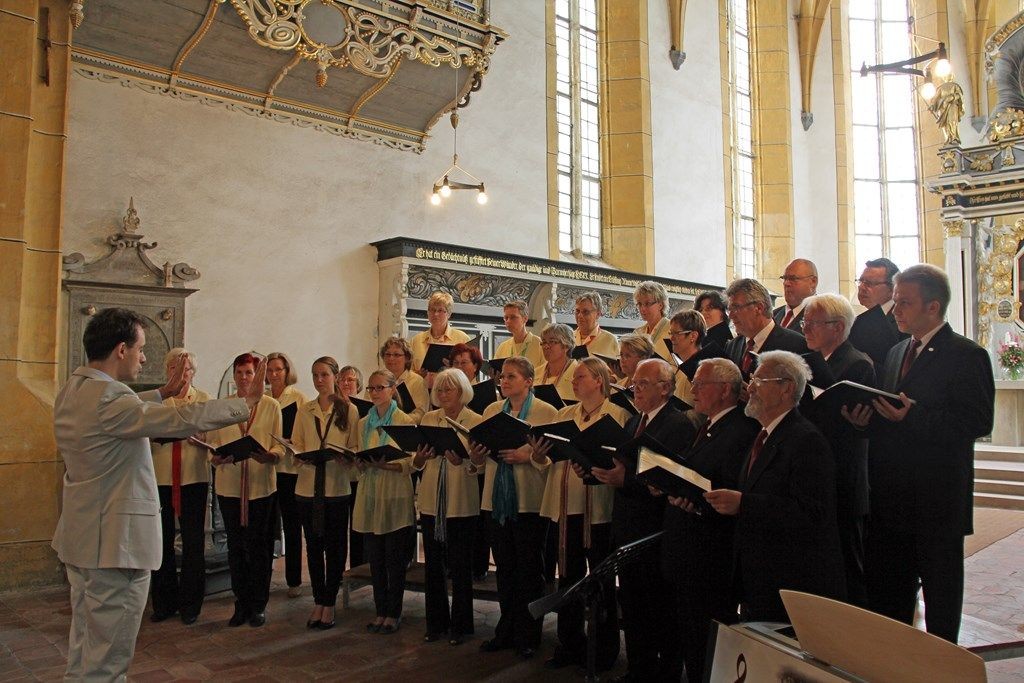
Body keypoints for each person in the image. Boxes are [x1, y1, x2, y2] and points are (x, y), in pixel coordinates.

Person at [53, 309, 257, 681]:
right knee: (108, 660)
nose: (143, 358)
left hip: (83, 539)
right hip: (114, 545)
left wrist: (162, 392)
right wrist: (245, 403)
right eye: (141, 349)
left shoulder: (74, 389)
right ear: (120, 350)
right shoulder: (111, 400)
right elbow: (179, 420)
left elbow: (124, 410)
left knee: (85, 646)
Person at [844, 264, 995, 642]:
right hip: (892, 499)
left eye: (905, 303)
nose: (895, 311)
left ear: (933, 307)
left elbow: (977, 422)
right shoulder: (896, 352)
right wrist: (865, 420)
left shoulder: (966, 354)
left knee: (941, 604)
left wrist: (916, 415)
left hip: (936, 501)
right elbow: (891, 415)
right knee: (889, 601)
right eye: (895, 302)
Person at [705, 350, 845, 622]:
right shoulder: (765, 434)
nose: (750, 387)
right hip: (760, 575)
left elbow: (811, 512)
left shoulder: (806, 441)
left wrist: (744, 504)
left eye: (760, 381)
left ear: (787, 388)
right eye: (752, 379)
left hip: (790, 579)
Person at [591, 358, 695, 682]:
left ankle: (665, 672)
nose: (635, 389)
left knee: (660, 607)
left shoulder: (678, 424)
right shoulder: (633, 421)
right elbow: (623, 467)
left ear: (665, 388)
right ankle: (639, 668)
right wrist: (595, 469)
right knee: (633, 604)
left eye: (644, 383)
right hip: (627, 523)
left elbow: (666, 479)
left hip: (655, 530)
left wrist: (625, 480)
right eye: (634, 383)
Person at [661, 358, 759, 683]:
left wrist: (695, 500)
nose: (693, 389)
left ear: (725, 390)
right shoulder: (709, 424)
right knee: (691, 638)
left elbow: (729, 483)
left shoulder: (741, 430)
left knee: (706, 644)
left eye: (701, 384)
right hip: (689, 547)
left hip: (710, 554)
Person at [536, 358, 629, 671]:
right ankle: (569, 644)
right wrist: (539, 454)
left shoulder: (618, 415)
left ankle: (603, 650)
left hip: (599, 510)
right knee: (569, 580)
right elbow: (549, 460)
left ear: (599, 381)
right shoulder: (565, 414)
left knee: (602, 581)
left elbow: (624, 463)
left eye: (580, 377)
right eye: (574, 377)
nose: (574, 382)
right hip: (566, 505)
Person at [473, 357, 559, 660]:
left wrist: (529, 457)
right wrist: (478, 454)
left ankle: (529, 634)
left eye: (511, 376)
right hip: (497, 500)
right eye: (502, 377)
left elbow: (552, 463)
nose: (504, 381)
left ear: (529, 381)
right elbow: (480, 459)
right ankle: (505, 629)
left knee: (529, 571)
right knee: (505, 569)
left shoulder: (546, 412)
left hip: (529, 501)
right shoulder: (491, 410)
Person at [800, 294, 875, 607]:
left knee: (847, 563)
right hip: (816, 473)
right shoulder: (811, 362)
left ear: (838, 327)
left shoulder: (857, 363)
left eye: (812, 323)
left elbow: (858, 423)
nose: (805, 329)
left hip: (843, 476)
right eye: (804, 322)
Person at [207, 353, 286, 628]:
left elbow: (279, 445)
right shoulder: (223, 406)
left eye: (249, 373)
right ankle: (240, 604)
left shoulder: (271, 405)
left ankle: (258, 604)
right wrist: (215, 458)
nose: (243, 378)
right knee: (236, 548)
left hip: (261, 487)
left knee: (260, 547)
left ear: (258, 376)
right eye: (239, 373)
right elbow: (213, 445)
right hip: (229, 487)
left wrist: (269, 456)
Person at [414, 369, 483, 645]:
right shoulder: (430, 419)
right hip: (432, 501)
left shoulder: (475, 421)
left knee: (460, 566)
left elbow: (481, 466)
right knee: (433, 565)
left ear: (462, 391)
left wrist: (466, 462)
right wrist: (420, 458)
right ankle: (436, 623)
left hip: (460, 502)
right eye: (439, 390)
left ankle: (462, 625)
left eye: (449, 390)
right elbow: (416, 463)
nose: (443, 395)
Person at [290, 357, 360, 630]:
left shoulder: (348, 410)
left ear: (335, 376)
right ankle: (318, 599)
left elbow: (354, 446)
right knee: (314, 546)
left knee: (335, 547)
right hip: (307, 487)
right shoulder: (304, 410)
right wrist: (299, 456)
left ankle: (330, 601)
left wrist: (346, 458)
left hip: (335, 487)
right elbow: (296, 444)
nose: (319, 380)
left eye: (324, 375)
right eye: (315, 375)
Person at [149, 348, 213, 626]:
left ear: (193, 373)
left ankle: (191, 604)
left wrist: (202, 436)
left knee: (193, 543)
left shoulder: (204, 400)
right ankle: (164, 603)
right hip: (161, 478)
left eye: (185, 369)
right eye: (174, 368)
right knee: (160, 543)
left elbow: (214, 438)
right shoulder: (156, 400)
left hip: (193, 478)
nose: (180, 373)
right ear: (167, 371)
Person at [353, 369, 417, 635]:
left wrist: (386, 465)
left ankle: (394, 613)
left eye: (380, 388)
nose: (375, 393)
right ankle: (380, 611)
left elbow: (412, 462)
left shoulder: (404, 421)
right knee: (375, 559)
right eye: (371, 388)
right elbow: (361, 456)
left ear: (393, 390)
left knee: (394, 560)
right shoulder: (363, 422)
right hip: (370, 493)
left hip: (394, 495)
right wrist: (358, 461)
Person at [265, 351, 308, 599]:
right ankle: (266, 574)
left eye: (278, 369)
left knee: (292, 527)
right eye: (270, 370)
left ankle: (293, 580)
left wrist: (292, 441)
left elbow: (305, 433)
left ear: (287, 371)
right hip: (268, 468)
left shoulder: (298, 398)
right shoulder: (262, 398)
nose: (274, 374)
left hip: (289, 469)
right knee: (268, 526)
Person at [723, 278, 807, 381]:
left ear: (759, 308)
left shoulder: (796, 345)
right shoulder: (732, 346)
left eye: (736, 308)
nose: (731, 316)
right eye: (729, 309)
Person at [848, 257, 908, 369]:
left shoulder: (904, 318)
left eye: (869, 283)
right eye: (861, 281)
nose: (861, 287)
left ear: (892, 288)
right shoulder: (863, 318)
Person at [337, 365, 367, 568]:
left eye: (351, 380)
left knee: (358, 526)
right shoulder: (332, 407)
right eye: (343, 379)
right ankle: (339, 570)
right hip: (338, 474)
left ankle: (359, 568)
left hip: (359, 473)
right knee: (338, 528)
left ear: (359, 385)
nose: (346, 383)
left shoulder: (366, 408)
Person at [411, 291, 471, 375]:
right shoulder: (416, 340)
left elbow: (471, 372)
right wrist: (418, 375)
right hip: (423, 387)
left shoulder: (462, 339)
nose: (435, 314)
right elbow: (409, 372)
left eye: (440, 310)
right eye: (432, 310)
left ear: (449, 314)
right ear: (427, 312)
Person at [379, 336, 429, 421]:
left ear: (407, 358)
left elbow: (421, 414)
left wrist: (395, 419)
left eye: (396, 355)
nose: (391, 358)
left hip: (406, 428)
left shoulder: (417, 381)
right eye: (387, 354)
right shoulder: (377, 379)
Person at [493, 300, 544, 368]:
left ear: (525, 319)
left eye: (513, 317)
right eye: (506, 318)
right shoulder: (502, 347)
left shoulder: (540, 344)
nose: (508, 321)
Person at [535, 323, 578, 402]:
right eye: (544, 342)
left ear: (566, 345)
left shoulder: (579, 374)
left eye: (552, 342)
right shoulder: (535, 373)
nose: (546, 346)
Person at [633, 280, 674, 363]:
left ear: (660, 305)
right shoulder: (637, 333)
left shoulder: (673, 330)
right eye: (640, 304)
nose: (642, 309)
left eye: (647, 303)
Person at [773, 258, 818, 332]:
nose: (786, 283)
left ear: (813, 282)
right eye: (784, 278)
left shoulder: (823, 317)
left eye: (793, 279)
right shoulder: (773, 316)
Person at [573, 291, 620, 358]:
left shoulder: (610, 340)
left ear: (598, 314)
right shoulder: (567, 339)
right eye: (577, 311)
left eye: (585, 312)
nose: (580, 316)